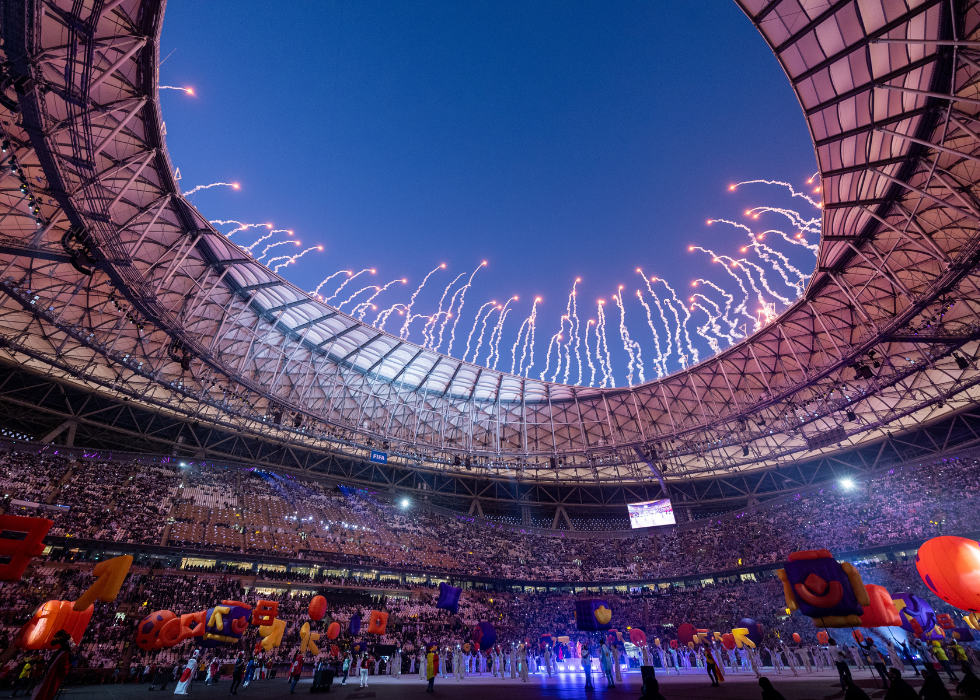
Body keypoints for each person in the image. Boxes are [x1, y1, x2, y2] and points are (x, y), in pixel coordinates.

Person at [29, 630, 72, 700]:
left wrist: (57, 638)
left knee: (51, 672)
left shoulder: (66, 639)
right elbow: (71, 646)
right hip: (64, 654)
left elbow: (53, 643)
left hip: (63, 654)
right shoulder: (68, 638)